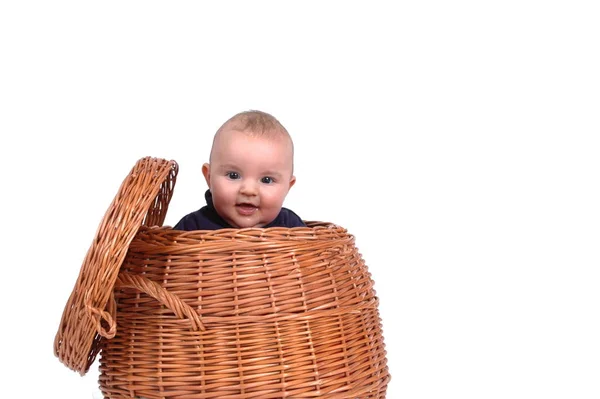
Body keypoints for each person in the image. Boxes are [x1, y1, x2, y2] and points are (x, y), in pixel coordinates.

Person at [174, 110, 305, 230]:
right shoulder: (192, 226)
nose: (249, 190)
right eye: (233, 175)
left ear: (288, 187)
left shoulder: (291, 227)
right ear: (209, 177)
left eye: (267, 180)